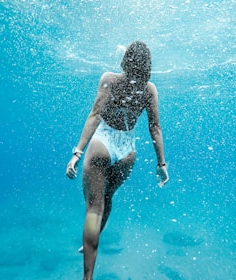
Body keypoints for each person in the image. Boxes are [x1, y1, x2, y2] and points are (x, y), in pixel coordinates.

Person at [66, 41, 169, 280]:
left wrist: (76, 153)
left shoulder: (109, 80)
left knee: (93, 209)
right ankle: (94, 238)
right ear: (148, 66)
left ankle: (87, 275)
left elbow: (94, 116)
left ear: (125, 61)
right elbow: (155, 129)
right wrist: (161, 164)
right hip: (127, 151)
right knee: (107, 198)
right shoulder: (149, 89)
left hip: (103, 143)